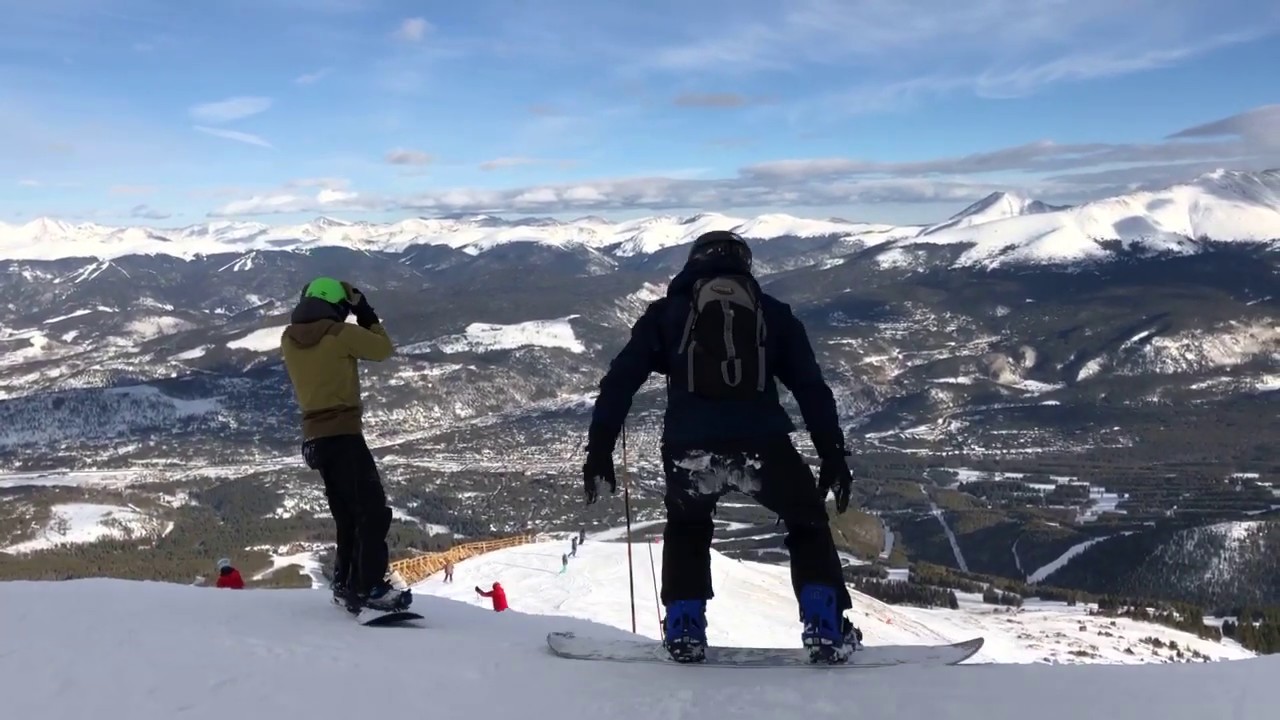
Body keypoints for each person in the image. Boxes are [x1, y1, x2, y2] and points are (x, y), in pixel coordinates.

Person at [581, 230, 860, 665]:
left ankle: (684, 628)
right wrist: (832, 455)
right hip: (763, 445)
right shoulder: (774, 314)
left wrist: (598, 450)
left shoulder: (667, 314)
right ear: (745, 264)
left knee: (688, 526)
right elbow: (811, 389)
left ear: (694, 262)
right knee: (806, 522)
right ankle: (824, 626)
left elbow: (619, 383)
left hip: (689, 450)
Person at [280, 277, 410, 614]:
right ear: (338, 306)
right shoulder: (340, 335)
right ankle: (369, 588)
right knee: (371, 512)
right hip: (344, 434)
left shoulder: (288, 338)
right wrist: (364, 312)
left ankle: (345, 584)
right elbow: (382, 349)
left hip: (314, 438)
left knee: (347, 514)